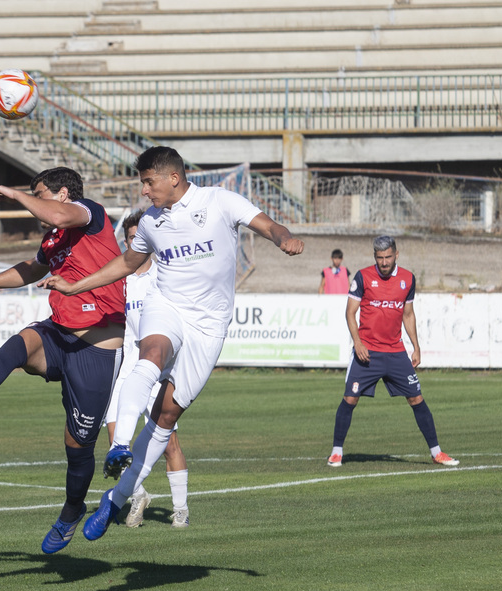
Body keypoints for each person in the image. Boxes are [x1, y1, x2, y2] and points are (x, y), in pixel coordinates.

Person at [39, 146, 304, 541]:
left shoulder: (220, 201)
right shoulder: (150, 221)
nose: (144, 191)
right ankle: (120, 445)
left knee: (166, 416)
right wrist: (76, 285)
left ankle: (116, 498)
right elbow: (127, 264)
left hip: (210, 325)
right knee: (152, 352)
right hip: (167, 305)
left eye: (148, 182)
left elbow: (267, 226)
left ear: (172, 178)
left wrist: (285, 237)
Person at [0, 166, 125, 554]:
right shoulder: (55, 238)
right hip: (59, 332)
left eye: (40, 193)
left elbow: (53, 213)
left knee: (79, 446)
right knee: (16, 347)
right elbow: (32, 267)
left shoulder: (89, 213)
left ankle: (71, 512)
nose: (35, 201)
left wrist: (17, 195)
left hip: (97, 347)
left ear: (63, 193)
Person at [326, 235, 458, 468]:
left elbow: (408, 314)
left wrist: (415, 345)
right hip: (367, 352)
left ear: (396, 255)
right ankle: (337, 451)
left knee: (416, 398)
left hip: (396, 352)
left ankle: (436, 452)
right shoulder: (363, 277)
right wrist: (357, 342)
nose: (384, 262)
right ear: (374, 257)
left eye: (388, 257)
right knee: (350, 398)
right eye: (379, 258)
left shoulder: (408, 279)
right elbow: (350, 312)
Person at [105, 210, 189, 529]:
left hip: (158, 368)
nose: (135, 242)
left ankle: (180, 509)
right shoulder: (122, 280)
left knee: (169, 444)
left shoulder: (163, 276)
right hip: (128, 367)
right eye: (129, 238)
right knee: (117, 442)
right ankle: (138, 495)